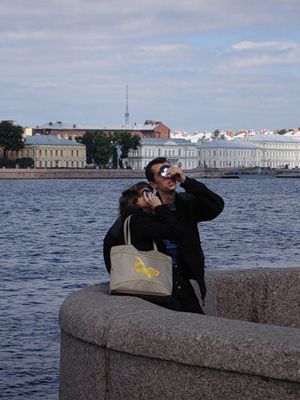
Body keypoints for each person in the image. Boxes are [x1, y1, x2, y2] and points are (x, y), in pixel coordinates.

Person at [144, 157, 225, 314]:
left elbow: (216, 205)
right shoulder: (147, 210)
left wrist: (186, 181)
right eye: (162, 173)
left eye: (169, 171)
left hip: (181, 276)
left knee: (197, 319)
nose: (169, 176)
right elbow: (116, 239)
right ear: (153, 185)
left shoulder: (186, 204)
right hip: (157, 276)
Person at [103, 181, 183, 274]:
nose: (150, 196)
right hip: (147, 277)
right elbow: (176, 231)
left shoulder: (127, 220)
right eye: (145, 194)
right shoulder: (138, 221)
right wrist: (159, 207)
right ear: (135, 201)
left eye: (150, 192)